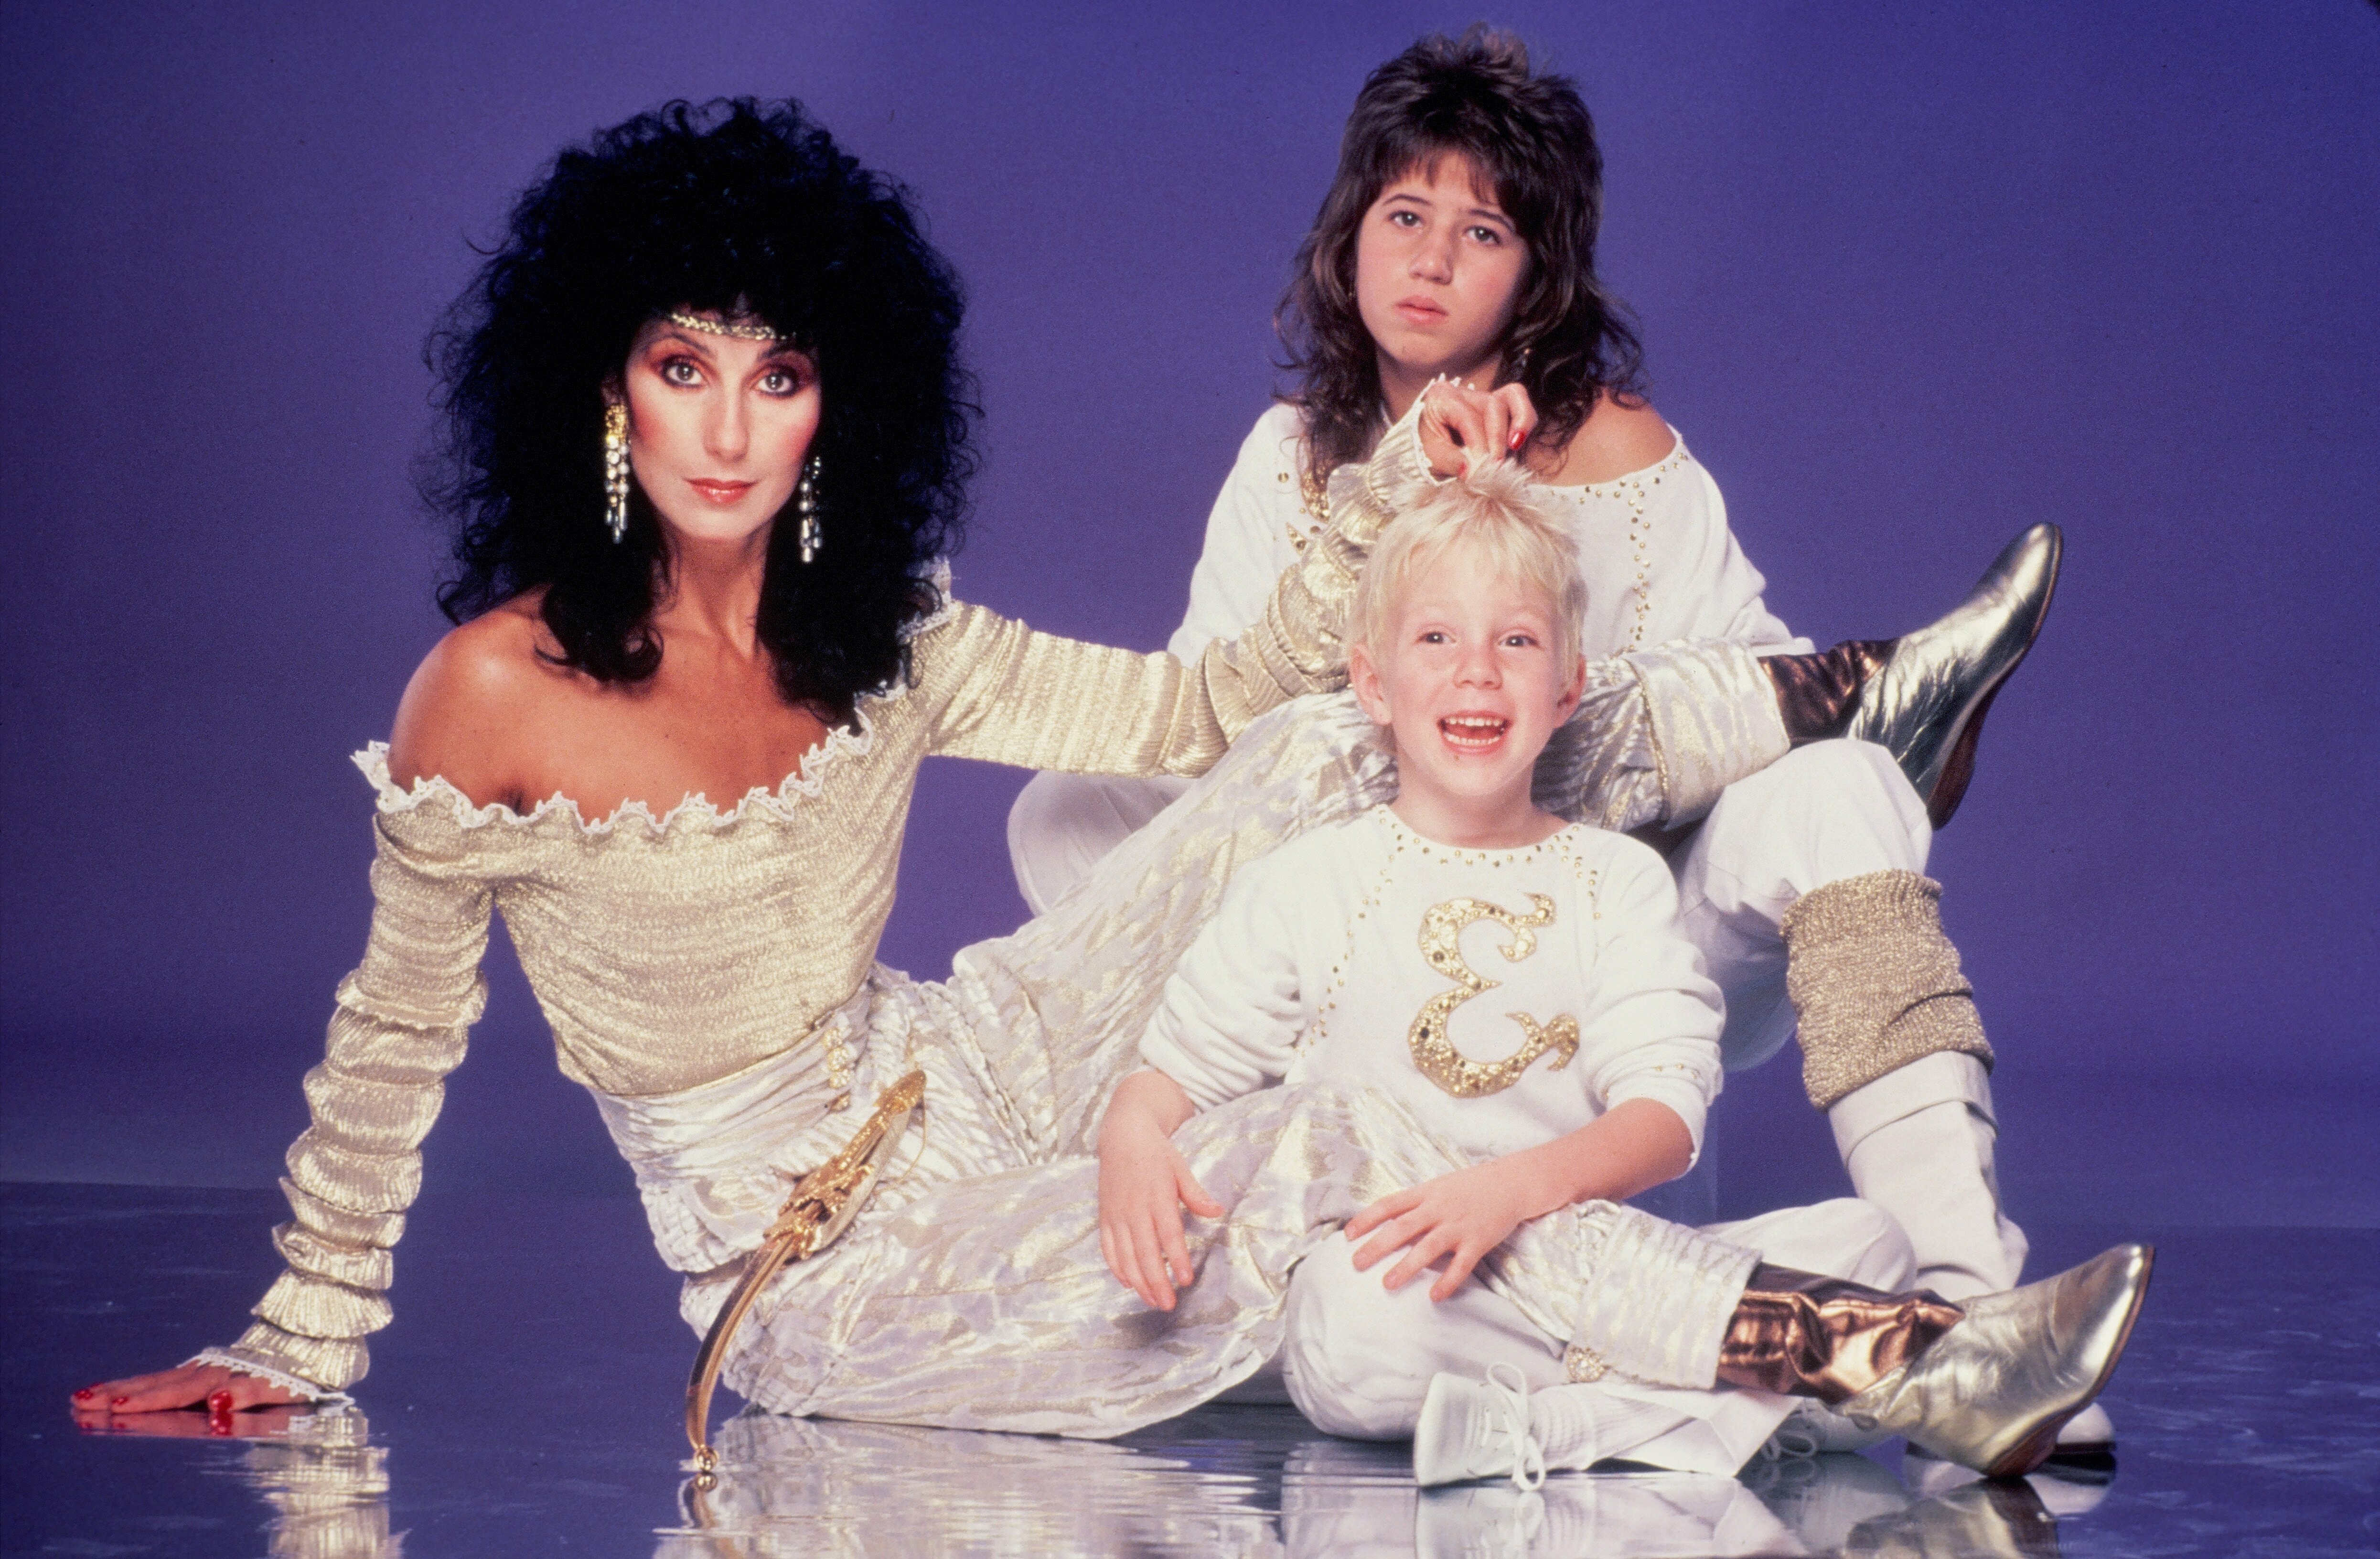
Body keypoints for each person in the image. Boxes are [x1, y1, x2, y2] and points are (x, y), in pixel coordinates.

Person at [61, 97, 1802, 1434]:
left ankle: (1799, 702)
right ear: (609, 392)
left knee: (1327, 739)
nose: (731, 430)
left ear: (837, 409)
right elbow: (392, 1040)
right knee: (1320, 1143)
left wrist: (1386, 487)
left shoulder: (874, 630)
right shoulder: (493, 692)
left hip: (971, 1064)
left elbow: (1193, 717)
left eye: (781, 375)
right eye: (684, 369)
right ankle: (1847, 1347)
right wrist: (301, 1333)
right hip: (822, 1264)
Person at [1008, 26, 2084, 1450]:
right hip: (1360, 942)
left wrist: (1535, 558)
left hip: (1607, 940)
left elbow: (1704, 748)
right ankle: (1779, 1335)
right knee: (1065, 811)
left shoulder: (1624, 457)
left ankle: (1971, 1321)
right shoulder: (1287, 461)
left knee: (1839, 785)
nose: (1431, 261)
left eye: (1481, 232)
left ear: (1537, 274)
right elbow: (1218, 728)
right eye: (1402, 218)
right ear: (1347, 240)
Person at [1094, 460, 2147, 1482]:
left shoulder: (1613, 881)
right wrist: (1131, 1139)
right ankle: (1857, 1366)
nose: (1475, 671)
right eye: (1434, 639)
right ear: (1371, 682)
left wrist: (1507, 1196)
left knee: (1871, 1240)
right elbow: (1170, 1076)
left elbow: (1664, 1122)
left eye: (1515, 642)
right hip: (1416, 1294)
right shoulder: (1303, 881)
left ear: (1568, 689)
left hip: (1575, 1254)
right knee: (1342, 1320)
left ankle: (1542, 1427)